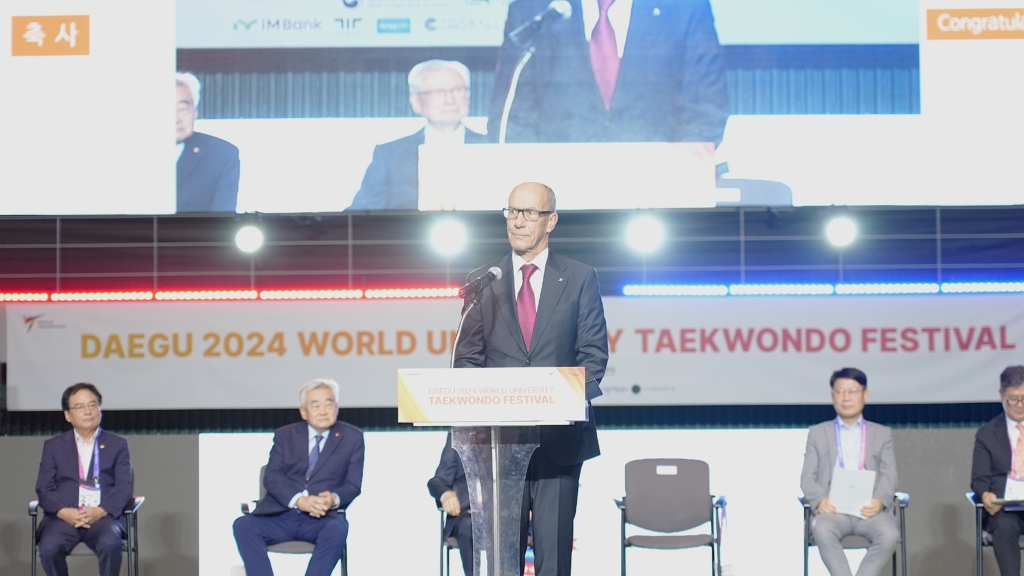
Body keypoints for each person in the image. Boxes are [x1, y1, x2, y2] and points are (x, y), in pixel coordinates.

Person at [453, 182, 609, 576]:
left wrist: (554, 398)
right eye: (511, 211)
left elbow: (593, 357)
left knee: (553, 557)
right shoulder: (483, 281)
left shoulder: (579, 277)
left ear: (550, 221)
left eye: (529, 213)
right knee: (503, 557)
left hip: (561, 441)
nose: (518, 221)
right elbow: (466, 360)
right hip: (500, 443)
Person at [487, 0, 729, 145]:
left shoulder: (685, 8)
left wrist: (674, 174)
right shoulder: (535, 10)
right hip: (559, 196)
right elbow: (512, 116)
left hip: (659, 190)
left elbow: (706, 108)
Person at [233, 378, 364, 576]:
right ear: (303, 411)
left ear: (337, 408)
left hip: (321, 519)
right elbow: (272, 476)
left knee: (337, 529)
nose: (323, 411)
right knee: (243, 525)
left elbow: (353, 484)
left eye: (328, 404)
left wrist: (333, 499)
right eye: (315, 405)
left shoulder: (352, 437)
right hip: (280, 516)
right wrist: (299, 501)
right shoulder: (285, 435)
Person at [346, 59, 488, 211]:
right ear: (416, 102)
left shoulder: (493, 148)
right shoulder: (390, 155)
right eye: (438, 92)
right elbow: (359, 214)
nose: (449, 100)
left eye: (457, 90)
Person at [800, 368, 899, 576]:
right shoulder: (817, 434)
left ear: (865, 395)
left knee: (890, 534)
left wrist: (879, 501)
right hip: (833, 510)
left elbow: (890, 474)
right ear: (832, 396)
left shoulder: (882, 434)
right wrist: (820, 500)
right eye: (840, 391)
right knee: (821, 529)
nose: (846, 397)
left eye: (852, 391)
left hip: (870, 511)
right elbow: (807, 478)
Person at [35, 383, 132, 576]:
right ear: (67, 415)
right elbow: (44, 488)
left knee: (110, 543)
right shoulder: (53, 446)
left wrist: (101, 511)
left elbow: (124, 487)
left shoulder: (118, 445)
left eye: (92, 405)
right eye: (80, 407)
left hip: (103, 517)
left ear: (99, 409)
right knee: (49, 546)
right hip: (64, 518)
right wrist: (63, 512)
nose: (88, 411)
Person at [972, 365, 1024, 576]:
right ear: (1001, 396)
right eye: (1013, 399)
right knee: (1004, 528)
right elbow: (979, 479)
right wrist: (986, 495)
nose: (1020, 405)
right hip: (1005, 509)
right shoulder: (987, 434)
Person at [176, 71, 240, 213]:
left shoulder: (220, 155)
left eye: (182, 109)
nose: (176, 118)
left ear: (195, 112)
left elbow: (222, 218)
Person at [427, 433, 474, 576]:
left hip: (504, 514)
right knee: (467, 526)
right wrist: (446, 494)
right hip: (466, 515)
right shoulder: (459, 437)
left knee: (509, 527)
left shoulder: (509, 434)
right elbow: (436, 482)